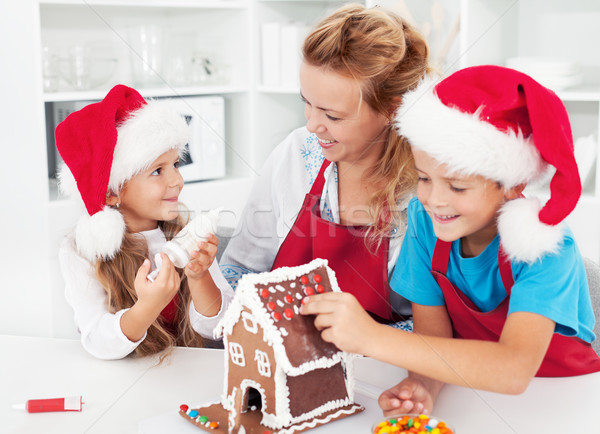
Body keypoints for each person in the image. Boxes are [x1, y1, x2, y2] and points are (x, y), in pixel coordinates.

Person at [301, 65, 600, 414]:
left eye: (457, 186)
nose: (435, 200)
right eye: (425, 178)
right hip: (473, 396)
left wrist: (370, 336)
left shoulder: (547, 247)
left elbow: (514, 370)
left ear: (512, 184)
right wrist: (424, 384)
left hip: (566, 400)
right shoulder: (424, 223)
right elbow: (435, 340)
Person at [220, 4, 430, 322]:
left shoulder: (427, 184)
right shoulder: (295, 155)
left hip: (385, 367)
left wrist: (364, 340)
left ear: (392, 109)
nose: (313, 125)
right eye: (307, 103)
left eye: (332, 115)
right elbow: (240, 271)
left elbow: (439, 330)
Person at [57, 84, 233, 360]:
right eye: (157, 171)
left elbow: (220, 328)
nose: (177, 180)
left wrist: (200, 277)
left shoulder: (185, 233)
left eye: (176, 164)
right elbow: (98, 340)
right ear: (112, 191)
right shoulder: (81, 253)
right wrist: (147, 307)